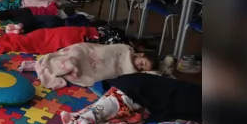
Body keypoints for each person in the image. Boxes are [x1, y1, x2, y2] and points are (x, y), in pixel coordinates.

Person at [31, 43, 159, 89]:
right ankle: (70, 62)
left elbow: (115, 71)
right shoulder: (126, 50)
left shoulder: (132, 72)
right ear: (140, 54)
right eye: (142, 63)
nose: (140, 67)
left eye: (143, 69)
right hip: (91, 55)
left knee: (91, 77)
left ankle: (71, 66)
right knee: (79, 51)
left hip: (99, 69)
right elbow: (106, 50)